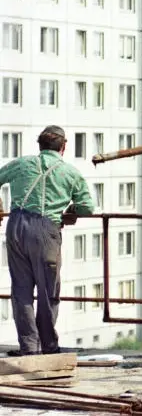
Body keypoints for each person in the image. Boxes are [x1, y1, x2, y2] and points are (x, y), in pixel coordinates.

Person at [0, 126, 95, 356]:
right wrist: (72, 209)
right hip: (45, 230)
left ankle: (29, 349)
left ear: (39, 146)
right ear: (63, 148)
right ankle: (49, 347)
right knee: (47, 292)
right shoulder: (69, 173)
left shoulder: (22, 164)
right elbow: (88, 208)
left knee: (21, 291)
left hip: (15, 226)